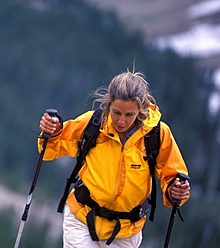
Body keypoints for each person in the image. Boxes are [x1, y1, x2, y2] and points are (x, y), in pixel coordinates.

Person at [38, 71, 190, 248]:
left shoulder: (158, 134)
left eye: (129, 114)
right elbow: (49, 149)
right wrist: (51, 131)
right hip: (82, 217)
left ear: (141, 110)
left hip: (126, 230)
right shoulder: (93, 123)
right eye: (116, 112)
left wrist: (176, 191)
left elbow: (173, 175)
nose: (121, 121)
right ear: (108, 103)